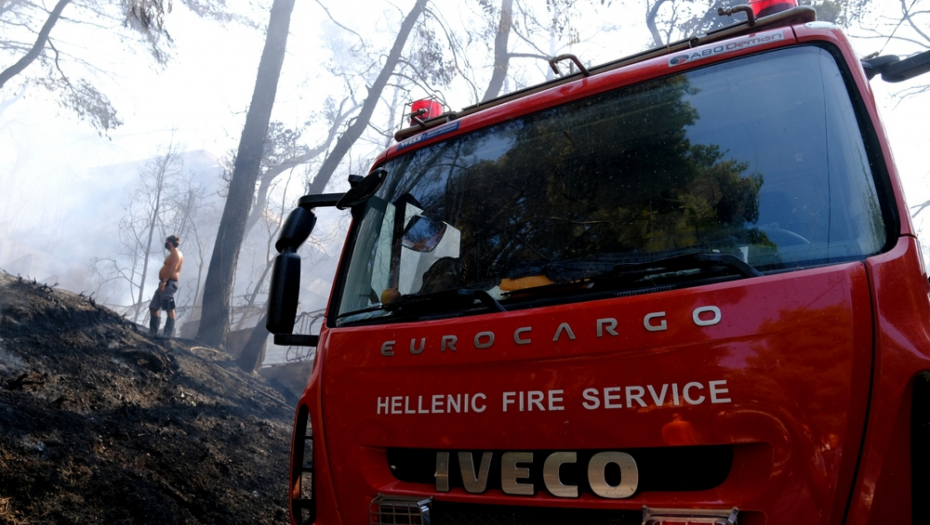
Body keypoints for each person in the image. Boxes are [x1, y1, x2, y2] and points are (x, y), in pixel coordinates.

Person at [149, 235, 184, 338]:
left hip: (168, 283)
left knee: (169, 307)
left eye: (167, 241)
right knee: (153, 307)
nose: (166, 243)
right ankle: (153, 332)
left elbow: (173, 268)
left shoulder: (176, 254)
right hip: (164, 283)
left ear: (171, 243)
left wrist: (164, 281)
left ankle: (167, 334)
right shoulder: (172, 253)